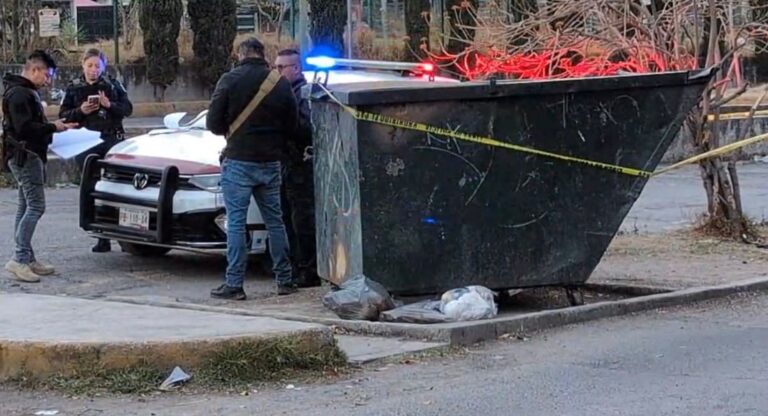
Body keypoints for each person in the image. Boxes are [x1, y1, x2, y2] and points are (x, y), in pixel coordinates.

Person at [206, 37, 300, 300]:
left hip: (238, 161)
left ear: (240, 54)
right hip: (270, 163)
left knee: (236, 223)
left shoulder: (229, 80)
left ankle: (234, 284)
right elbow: (292, 125)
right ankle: (285, 279)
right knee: (275, 222)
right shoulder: (280, 83)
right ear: (263, 54)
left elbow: (213, 123)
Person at [1, 50, 77, 282]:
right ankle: (19, 259)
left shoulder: (23, 91)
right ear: (35, 70)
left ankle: (27, 257)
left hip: (27, 154)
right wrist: (54, 127)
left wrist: (53, 127)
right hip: (26, 155)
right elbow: (25, 128)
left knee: (25, 206)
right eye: (48, 74)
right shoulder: (20, 94)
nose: (49, 80)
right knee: (36, 206)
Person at [59, 48, 133, 253]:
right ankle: (101, 235)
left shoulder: (112, 85)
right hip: (86, 143)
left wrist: (109, 105)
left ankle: (123, 235)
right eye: (89, 65)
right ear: (83, 65)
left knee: (118, 188)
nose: (93, 70)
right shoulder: (74, 88)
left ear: (103, 67)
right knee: (93, 189)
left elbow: (127, 109)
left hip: (111, 140)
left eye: (97, 66)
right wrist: (80, 111)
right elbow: (64, 116)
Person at [274, 48, 321, 288]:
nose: (279, 72)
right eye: (276, 67)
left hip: (300, 166)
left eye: (283, 67)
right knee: (287, 219)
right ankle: (295, 267)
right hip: (286, 165)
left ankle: (308, 270)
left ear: (297, 68)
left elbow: (306, 130)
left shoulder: (302, 95)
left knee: (301, 221)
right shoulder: (285, 93)